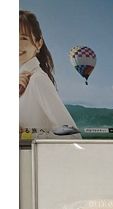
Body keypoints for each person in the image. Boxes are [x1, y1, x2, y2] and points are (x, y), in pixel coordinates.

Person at [19, 10, 80, 138]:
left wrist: (25, 135)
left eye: (23, 38)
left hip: (36, 151)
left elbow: (73, 135)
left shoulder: (37, 80)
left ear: (38, 43)